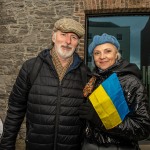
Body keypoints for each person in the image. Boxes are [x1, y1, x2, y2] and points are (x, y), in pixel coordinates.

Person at [0, 18, 88, 150]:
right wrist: (6, 145)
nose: (67, 41)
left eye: (73, 37)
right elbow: (15, 110)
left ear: (77, 43)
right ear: (53, 37)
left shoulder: (85, 74)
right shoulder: (31, 68)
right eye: (63, 34)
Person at [78, 33, 150, 150]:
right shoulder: (92, 80)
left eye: (108, 51)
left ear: (116, 54)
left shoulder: (131, 82)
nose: (102, 56)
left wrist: (100, 119)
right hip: (89, 145)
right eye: (97, 53)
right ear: (93, 57)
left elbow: (142, 129)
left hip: (119, 146)